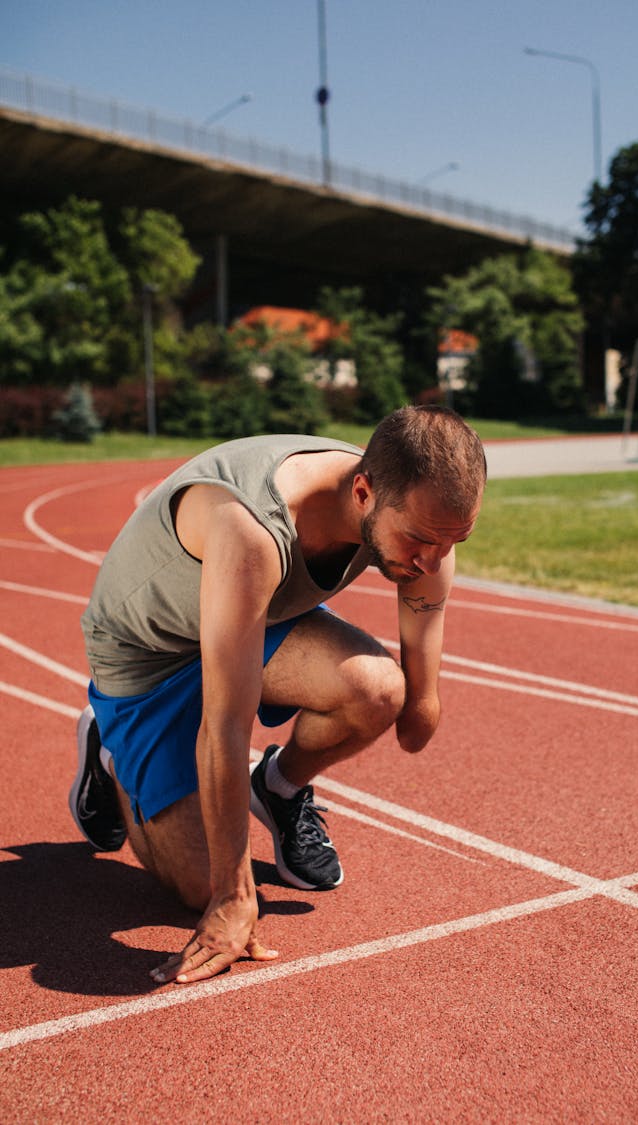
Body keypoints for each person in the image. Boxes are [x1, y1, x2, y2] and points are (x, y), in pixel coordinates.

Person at [70, 405, 486, 985]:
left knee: (378, 691)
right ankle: (107, 750)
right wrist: (233, 897)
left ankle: (280, 786)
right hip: (149, 657)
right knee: (197, 886)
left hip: (250, 616)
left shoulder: (416, 510)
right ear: (362, 492)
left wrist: (420, 704)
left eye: (453, 540)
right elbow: (225, 726)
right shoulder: (253, 529)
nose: (432, 561)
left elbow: (418, 690)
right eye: (420, 540)